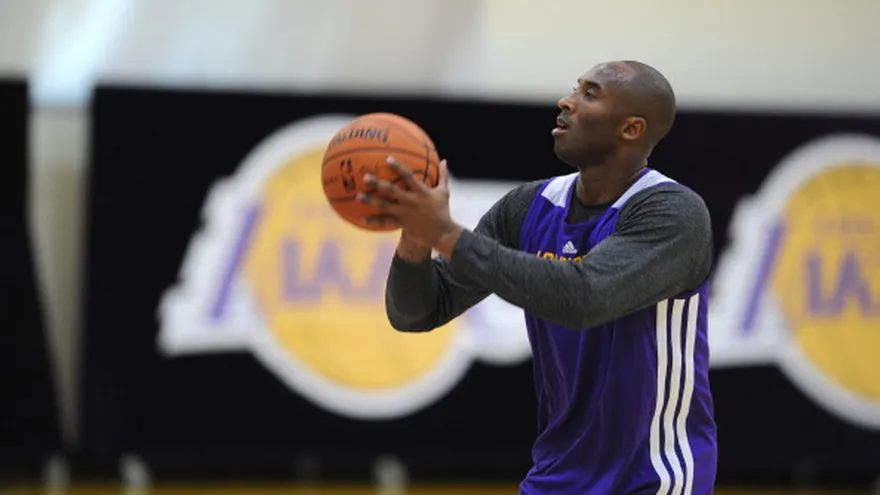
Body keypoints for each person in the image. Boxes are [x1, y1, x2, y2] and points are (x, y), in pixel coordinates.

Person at [358, 60, 717, 495]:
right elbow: (418, 311)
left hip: (648, 477)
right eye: (575, 88)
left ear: (631, 129)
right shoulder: (530, 206)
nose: (565, 101)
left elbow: (586, 297)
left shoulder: (673, 213)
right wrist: (416, 241)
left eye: (590, 93)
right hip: (556, 474)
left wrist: (447, 234)